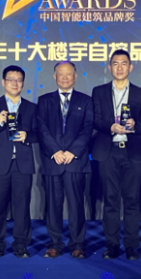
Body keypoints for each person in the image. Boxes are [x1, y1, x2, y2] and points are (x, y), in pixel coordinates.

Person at [92, 49, 141, 260]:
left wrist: (135, 125)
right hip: (108, 152)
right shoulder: (99, 92)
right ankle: (112, 245)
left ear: (130, 67)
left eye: (124, 63)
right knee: (111, 200)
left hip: (132, 153)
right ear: (110, 67)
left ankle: (132, 246)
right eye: (115, 63)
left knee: (132, 200)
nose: (119, 67)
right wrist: (110, 126)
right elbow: (95, 119)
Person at [0, 65, 38, 259]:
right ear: (3, 82)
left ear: (23, 83)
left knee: (22, 207)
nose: (15, 83)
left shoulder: (31, 108)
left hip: (23, 164)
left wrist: (28, 136)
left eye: (19, 80)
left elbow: (40, 134)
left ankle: (21, 244)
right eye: (11, 79)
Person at [36, 61, 94, 259]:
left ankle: (78, 244)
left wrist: (72, 152)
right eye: (61, 74)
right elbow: (41, 128)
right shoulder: (44, 100)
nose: (65, 77)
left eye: (69, 74)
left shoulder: (86, 101)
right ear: (55, 77)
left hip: (75, 161)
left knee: (77, 205)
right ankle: (54, 244)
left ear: (75, 76)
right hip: (53, 160)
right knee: (53, 205)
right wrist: (55, 151)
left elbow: (88, 128)